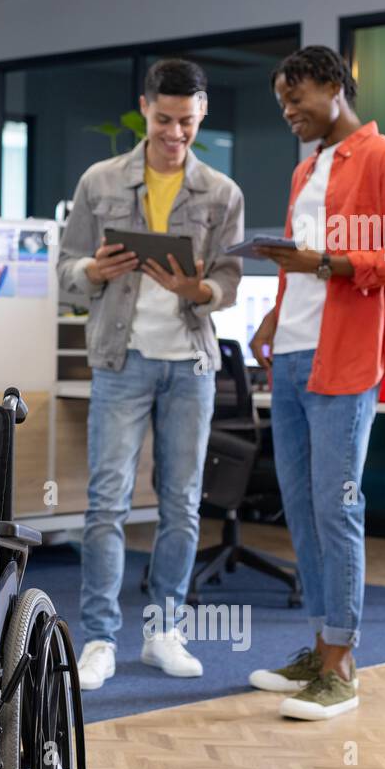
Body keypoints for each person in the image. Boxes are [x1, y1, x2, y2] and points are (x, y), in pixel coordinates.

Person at [247, 46, 385, 719]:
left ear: (334, 85)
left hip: (346, 355)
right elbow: (303, 263)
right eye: (280, 103)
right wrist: (274, 312)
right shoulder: (305, 171)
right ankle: (320, 643)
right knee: (299, 507)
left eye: (296, 98)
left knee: (337, 507)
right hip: (294, 354)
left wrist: (332, 262)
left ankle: (343, 664)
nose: (289, 112)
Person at [57, 59, 244, 687]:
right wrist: (93, 273)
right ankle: (101, 640)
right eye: (164, 120)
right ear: (145, 107)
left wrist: (202, 289)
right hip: (122, 360)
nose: (175, 133)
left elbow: (230, 281)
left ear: (202, 113)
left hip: (191, 363)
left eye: (187, 122)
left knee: (182, 504)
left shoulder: (221, 193)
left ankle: (165, 632)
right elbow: (64, 267)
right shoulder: (100, 181)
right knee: (107, 503)